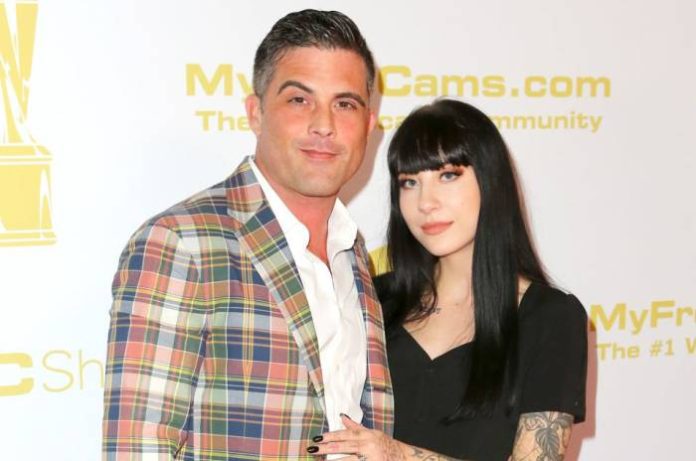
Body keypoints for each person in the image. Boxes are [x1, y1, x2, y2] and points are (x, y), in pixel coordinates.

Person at [102, 9, 393, 460]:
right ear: (256, 113)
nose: (324, 124)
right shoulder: (181, 244)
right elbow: (137, 449)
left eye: (345, 104)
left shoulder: (352, 251)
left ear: (369, 125)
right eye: (299, 100)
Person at [308, 99, 588, 461]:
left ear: (490, 181)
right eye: (410, 182)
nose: (426, 202)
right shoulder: (374, 298)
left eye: (448, 176)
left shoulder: (550, 317)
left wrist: (397, 455)